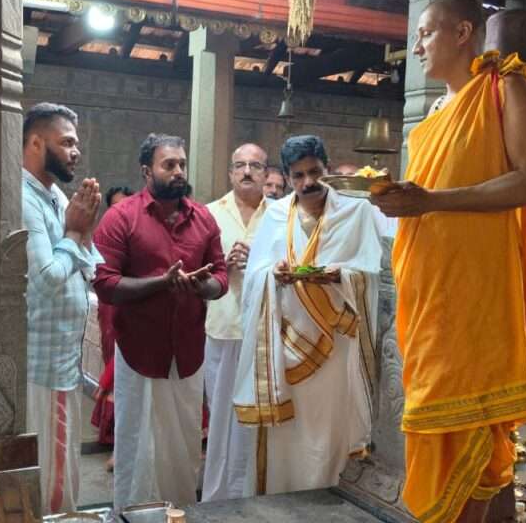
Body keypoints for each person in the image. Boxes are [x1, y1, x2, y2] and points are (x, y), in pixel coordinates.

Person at [371, 0, 526, 523]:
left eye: (426, 33)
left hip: (476, 304)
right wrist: (404, 200)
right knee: (464, 450)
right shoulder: (436, 113)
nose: (416, 47)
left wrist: (432, 201)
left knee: (469, 441)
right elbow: (432, 197)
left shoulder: (508, 86)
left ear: (462, 32)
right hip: (431, 300)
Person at [232, 135, 380, 496]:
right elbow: (254, 277)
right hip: (285, 342)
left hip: (336, 346)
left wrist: (341, 276)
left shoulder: (355, 212)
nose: (308, 182)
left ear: (327, 169)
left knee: (328, 428)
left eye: (315, 172)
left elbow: (374, 275)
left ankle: (329, 501)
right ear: (287, 177)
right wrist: (273, 274)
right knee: (287, 436)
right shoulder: (276, 215)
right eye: (298, 175)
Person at [93, 133, 228, 512]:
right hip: (140, 352)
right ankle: (134, 516)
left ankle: (178, 515)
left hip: (188, 353)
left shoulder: (203, 218)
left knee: (183, 448)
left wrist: (203, 286)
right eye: (169, 164)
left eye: (182, 163)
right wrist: (160, 283)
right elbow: (104, 283)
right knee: (139, 449)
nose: (178, 171)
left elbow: (221, 277)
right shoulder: (122, 217)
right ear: (146, 171)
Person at [21, 103, 103, 514]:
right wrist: (74, 232)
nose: (76, 152)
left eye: (76, 143)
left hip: (63, 360)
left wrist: (81, 234)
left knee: (64, 469)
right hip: (43, 364)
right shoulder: (23, 198)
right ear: (36, 143)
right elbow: (47, 278)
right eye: (67, 142)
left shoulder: (53, 194)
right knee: (50, 478)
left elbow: (92, 264)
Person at [201, 143, 269, 502]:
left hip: (263, 331)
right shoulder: (210, 214)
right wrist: (222, 266)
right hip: (221, 326)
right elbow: (197, 268)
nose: (247, 171)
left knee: (255, 420)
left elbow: (290, 265)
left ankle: (250, 495)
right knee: (221, 417)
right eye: (240, 165)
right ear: (230, 173)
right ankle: (216, 497)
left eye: (255, 166)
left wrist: (257, 260)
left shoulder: (280, 215)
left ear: (267, 174)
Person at [91, 186, 134, 470]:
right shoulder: (105, 235)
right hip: (110, 308)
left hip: (133, 308)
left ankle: (125, 450)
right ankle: (118, 442)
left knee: (127, 378)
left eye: (126, 204)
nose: (121, 210)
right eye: (116, 205)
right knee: (114, 364)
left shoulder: (140, 231)